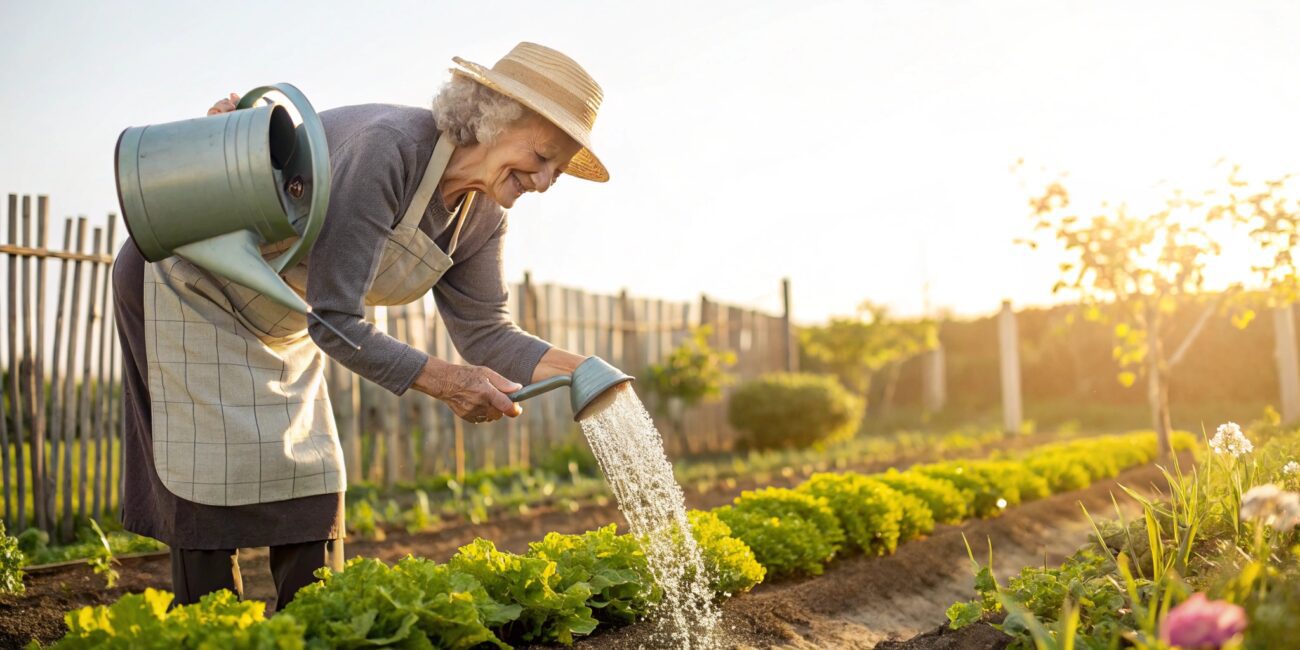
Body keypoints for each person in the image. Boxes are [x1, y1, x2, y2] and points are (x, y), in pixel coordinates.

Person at [111, 42, 608, 609]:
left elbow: (488, 333)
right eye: (542, 155)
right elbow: (337, 320)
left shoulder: (484, 217)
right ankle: (210, 630)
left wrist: (585, 371)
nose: (544, 181)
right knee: (208, 483)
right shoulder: (390, 149)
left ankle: (320, 629)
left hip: (281, 319)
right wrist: (444, 380)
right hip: (190, 286)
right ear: (496, 117)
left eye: (558, 171)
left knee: (312, 483)